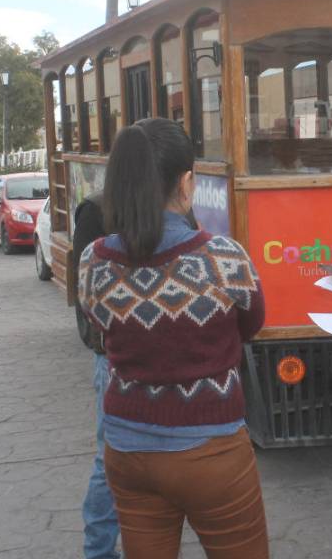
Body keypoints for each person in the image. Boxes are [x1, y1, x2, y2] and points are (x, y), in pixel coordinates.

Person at [78, 117, 269, 559]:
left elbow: (102, 330)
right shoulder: (223, 258)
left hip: (127, 451)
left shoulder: (93, 261)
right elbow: (250, 325)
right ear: (187, 184)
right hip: (211, 453)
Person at [74, 196, 121, 559]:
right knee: (110, 459)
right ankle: (99, 551)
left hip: (164, 362)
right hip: (114, 359)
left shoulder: (176, 206)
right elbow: (85, 297)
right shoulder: (97, 211)